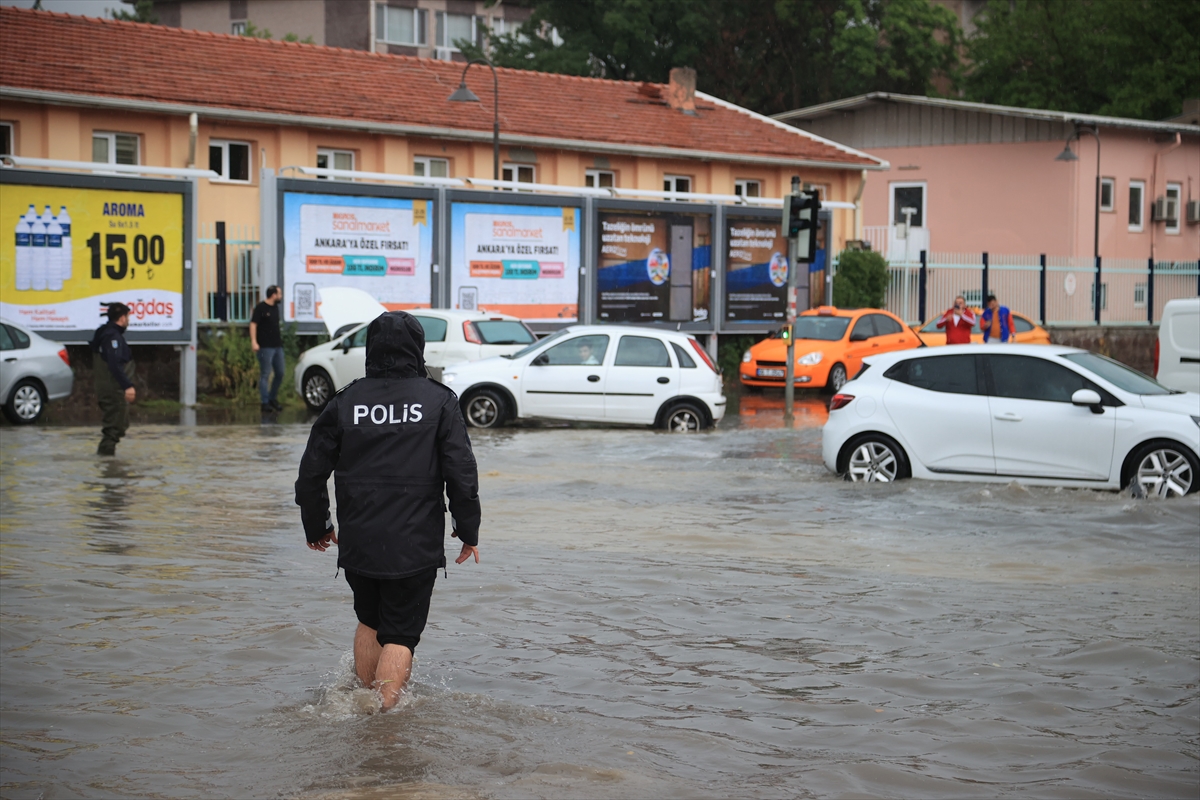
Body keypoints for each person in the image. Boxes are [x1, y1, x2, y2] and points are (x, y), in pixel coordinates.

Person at [295, 311, 481, 711]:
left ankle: (361, 708)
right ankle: (382, 721)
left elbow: (311, 473)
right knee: (400, 634)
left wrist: (318, 526)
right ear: (418, 348)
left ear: (370, 348)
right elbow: (461, 472)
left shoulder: (345, 400)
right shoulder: (439, 401)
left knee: (370, 620)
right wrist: (468, 530)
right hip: (414, 543)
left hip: (359, 541)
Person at [91, 302, 135, 456]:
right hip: (112, 389)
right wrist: (127, 386)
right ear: (122, 318)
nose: (128, 320)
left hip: (109, 388)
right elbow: (114, 363)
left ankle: (107, 464)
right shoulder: (112, 337)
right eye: (128, 317)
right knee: (115, 427)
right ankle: (107, 465)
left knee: (116, 425)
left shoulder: (103, 333)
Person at [250, 285, 284, 412]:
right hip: (265, 346)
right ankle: (264, 402)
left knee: (280, 372)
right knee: (265, 373)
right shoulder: (261, 308)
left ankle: (272, 398)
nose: (280, 296)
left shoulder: (275, 308)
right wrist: (254, 341)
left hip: (277, 346)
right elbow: (253, 325)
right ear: (273, 295)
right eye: (279, 294)